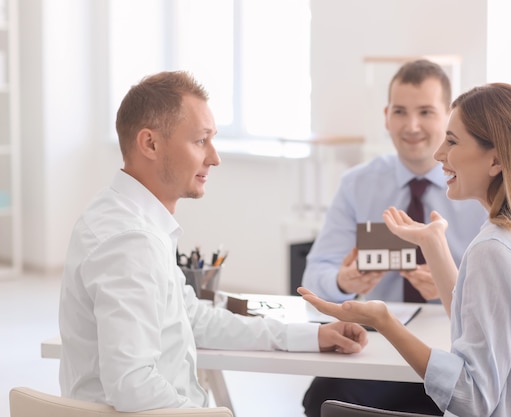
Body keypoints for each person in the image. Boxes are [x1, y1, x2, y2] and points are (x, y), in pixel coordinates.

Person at [58, 71, 368, 412]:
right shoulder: (131, 240)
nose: (214, 157)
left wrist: (311, 335)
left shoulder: (126, 218)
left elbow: (194, 318)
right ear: (150, 144)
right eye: (200, 141)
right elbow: (133, 386)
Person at [299, 82, 511, 416]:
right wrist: (434, 246)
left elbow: (470, 399)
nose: (439, 155)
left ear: (495, 160)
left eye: (452, 141)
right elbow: (481, 330)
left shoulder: (495, 249)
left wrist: (386, 322)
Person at [301, 60, 486, 416]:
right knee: (323, 397)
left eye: (426, 112)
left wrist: (452, 287)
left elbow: (499, 294)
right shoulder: (357, 184)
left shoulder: (477, 189)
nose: (412, 126)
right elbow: (314, 278)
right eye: (400, 111)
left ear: (448, 118)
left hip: (455, 351)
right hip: (381, 348)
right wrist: (342, 281)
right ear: (386, 116)